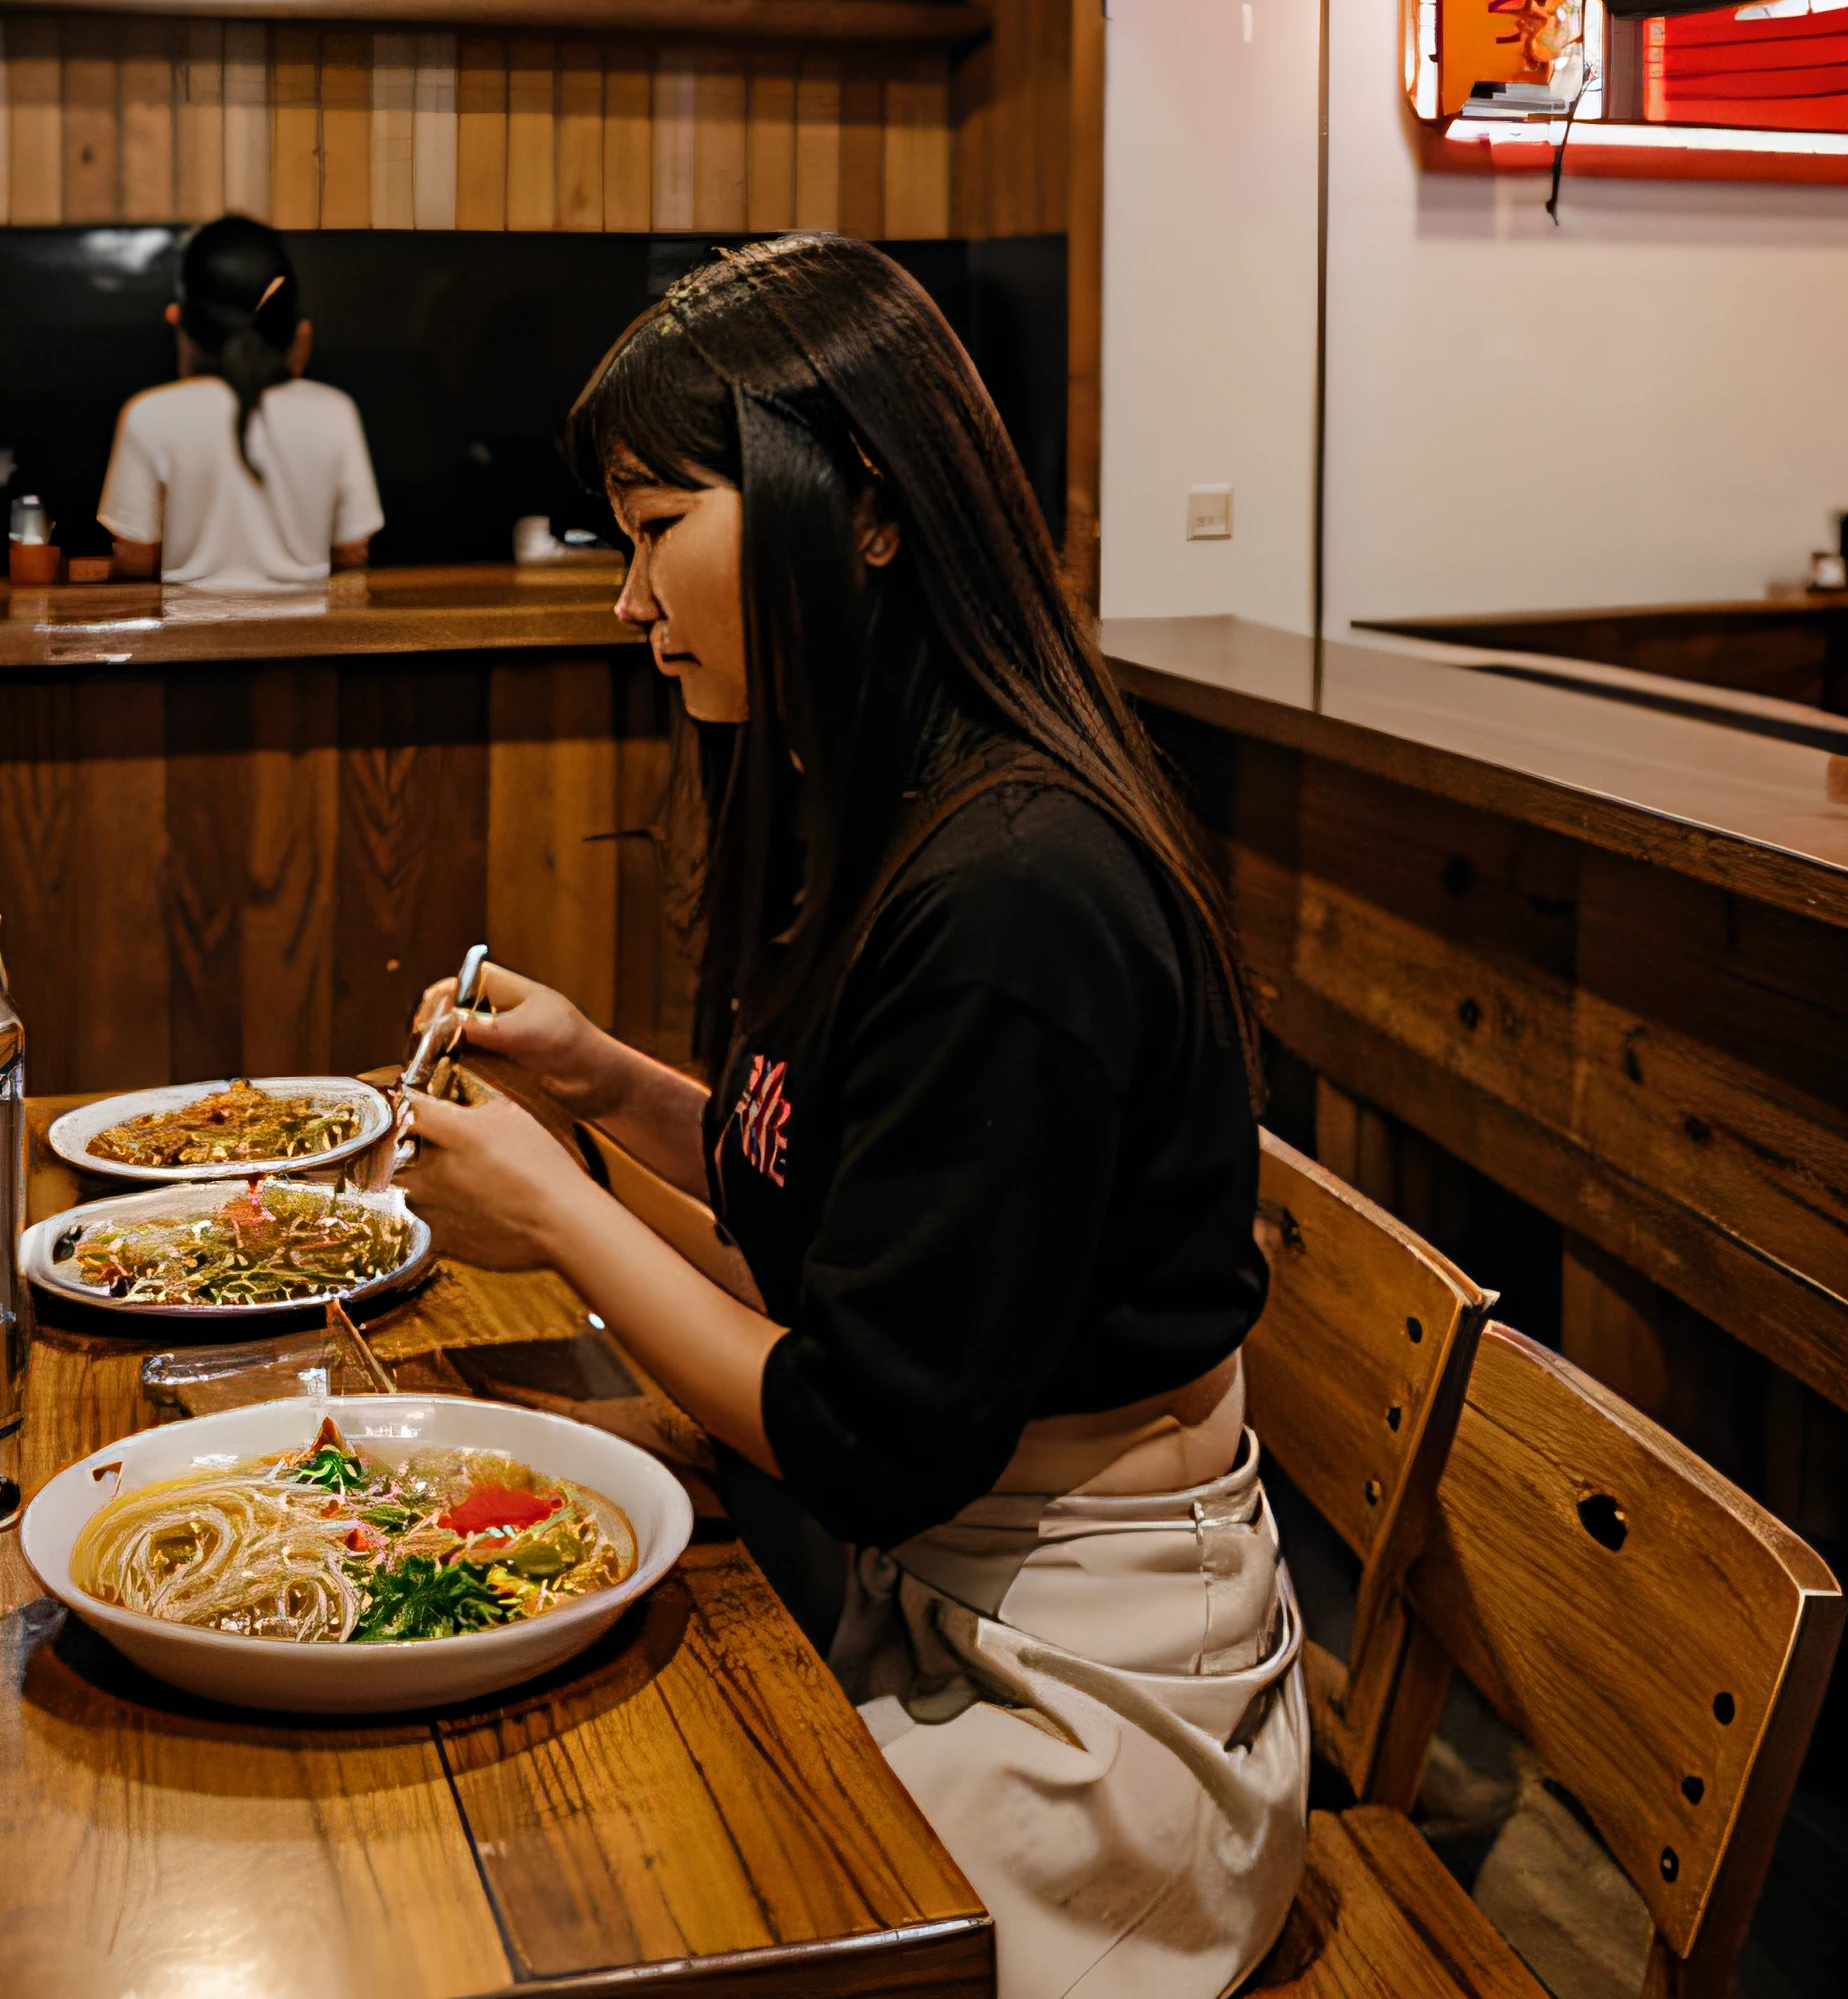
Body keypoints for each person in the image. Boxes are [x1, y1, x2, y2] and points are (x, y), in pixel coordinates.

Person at [403, 235, 1305, 1999]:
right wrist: (596, 1080)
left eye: (657, 529)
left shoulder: (1016, 889)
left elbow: (866, 1429)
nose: (624, 598)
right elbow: (843, 1181)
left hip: (1105, 1721)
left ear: (865, 509)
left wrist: (563, 1209)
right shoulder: (880, 804)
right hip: (951, 1600)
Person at [97, 215, 382, 594]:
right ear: (292, 327)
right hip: (304, 648)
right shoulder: (335, 412)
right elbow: (352, 551)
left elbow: (135, 560)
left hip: (187, 648)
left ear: (182, 320)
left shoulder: (149, 416)